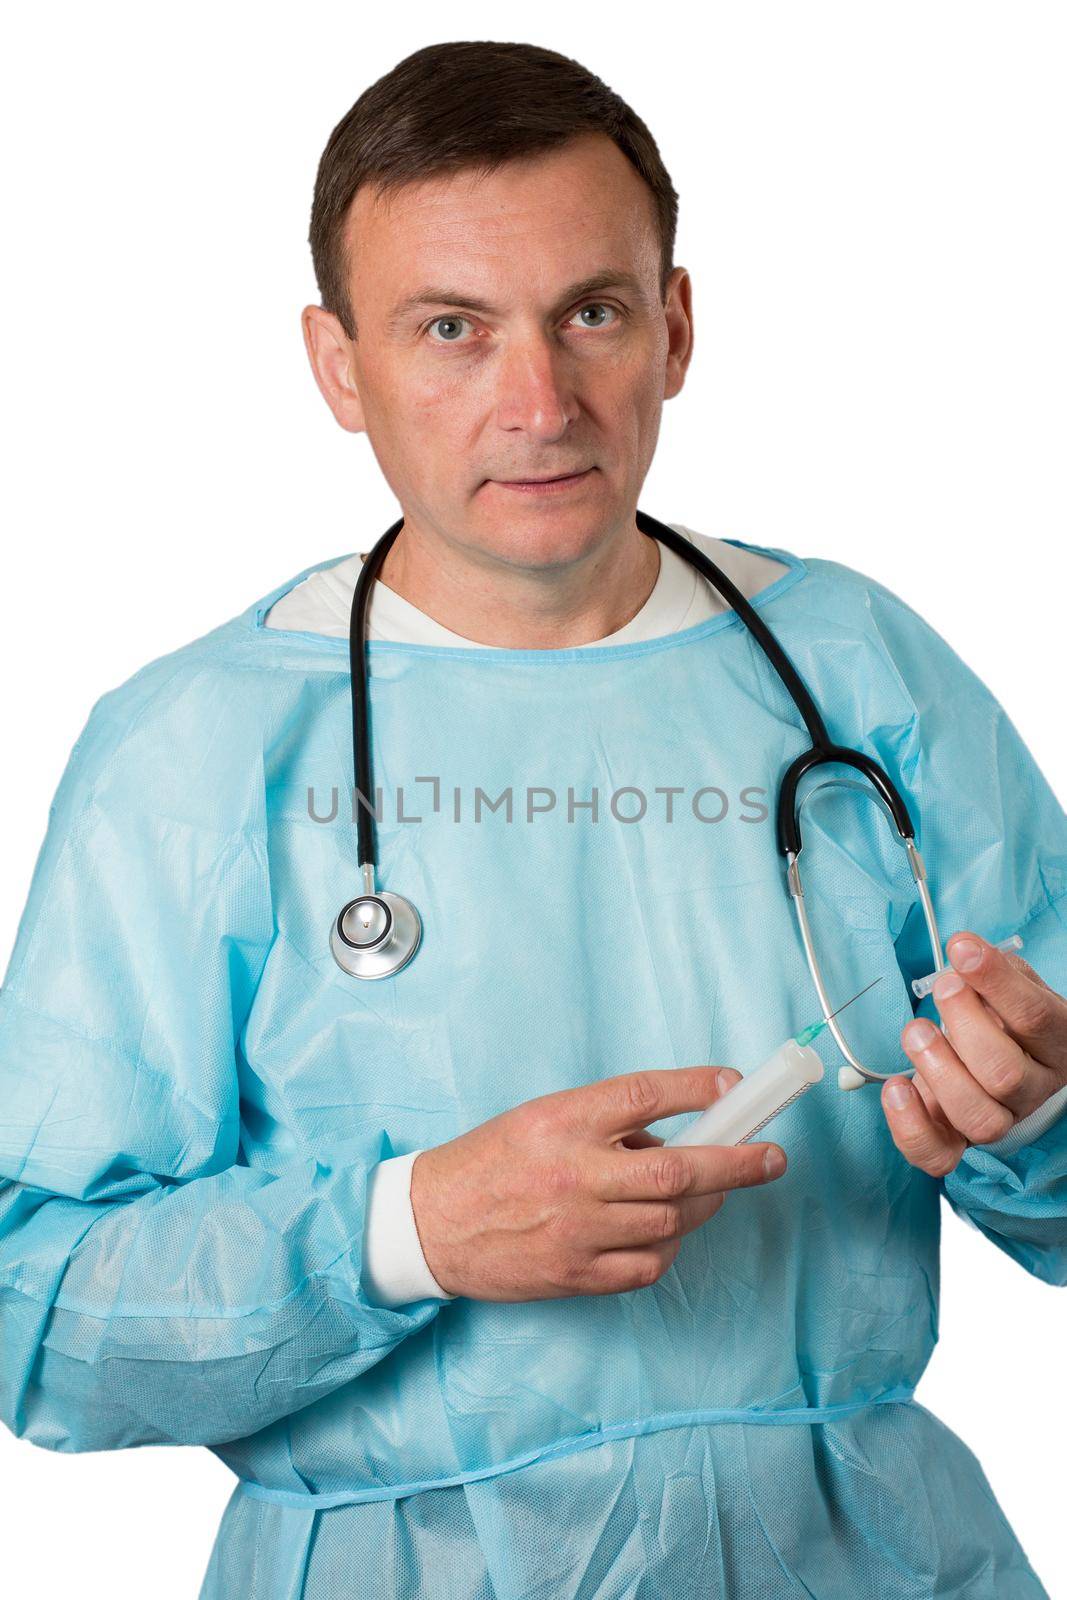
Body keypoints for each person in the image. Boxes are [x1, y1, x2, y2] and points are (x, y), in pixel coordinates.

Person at [1, 39, 1066, 1600]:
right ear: (339, 365)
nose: (539, 401)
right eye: (452, 328)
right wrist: (407, 1229)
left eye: (592, 312)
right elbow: (38, 1314)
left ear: (675, 327)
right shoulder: (196, 755)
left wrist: (1032, 1112)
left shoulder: (857, 673)